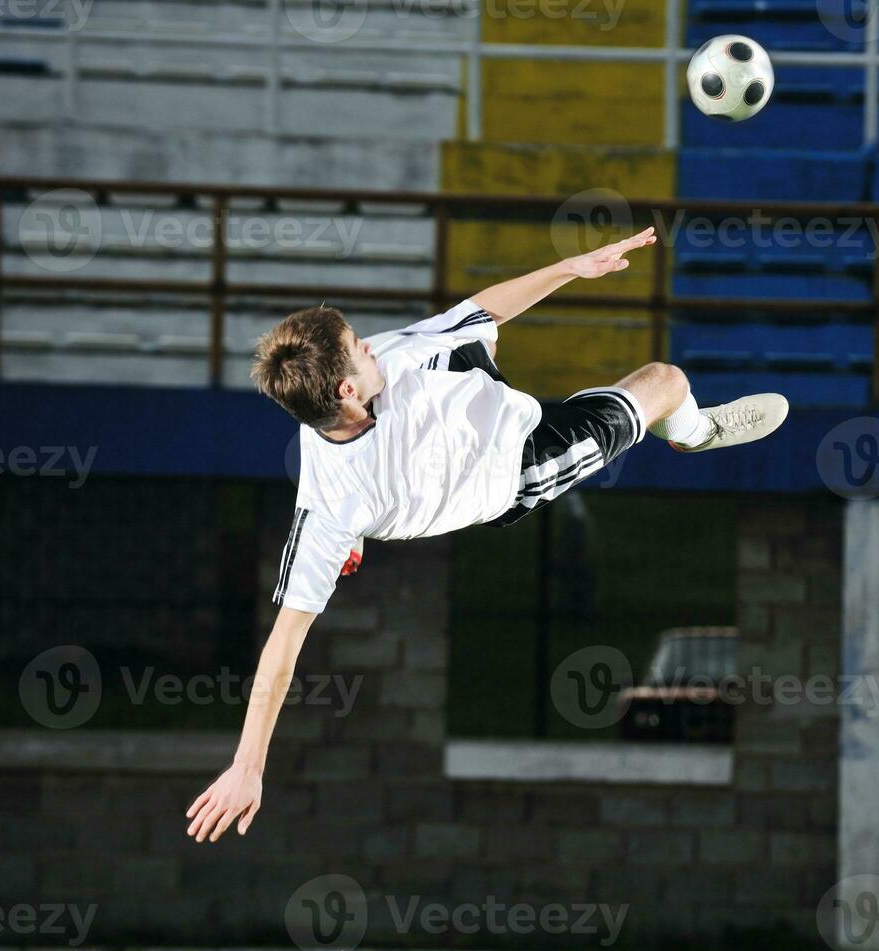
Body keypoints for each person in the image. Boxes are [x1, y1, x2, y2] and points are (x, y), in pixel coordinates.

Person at [185, 226, 787, 843]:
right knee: (666, 381)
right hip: (513, 469)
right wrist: (246, 766)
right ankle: (694, 431)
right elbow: (283, 644)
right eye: (357, 346)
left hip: (476, 400)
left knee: (460, 334)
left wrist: (571, 268)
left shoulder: (386, 363)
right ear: (345, 392)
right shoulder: (331, 502)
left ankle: (640, 412)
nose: (370, 346)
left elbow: (483, 308)